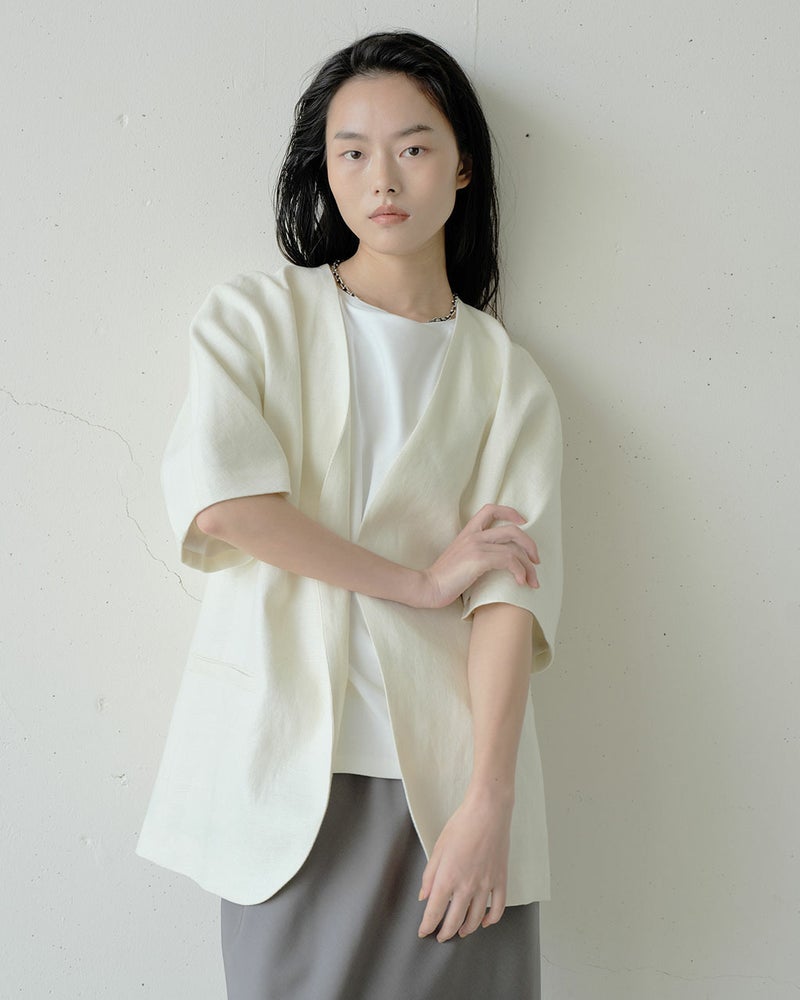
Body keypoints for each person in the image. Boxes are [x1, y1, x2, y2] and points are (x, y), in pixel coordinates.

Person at [136, 29, 563, 1000]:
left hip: (448, 794)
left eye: (413, 147)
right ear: (323, 171)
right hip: (283, 779)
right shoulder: (254, 319)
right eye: (352, 152)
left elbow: (510, 601)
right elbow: (230, 506)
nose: (383, 179)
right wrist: (418, 581)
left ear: (463, 168)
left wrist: (488, 802)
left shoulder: (509, 379)